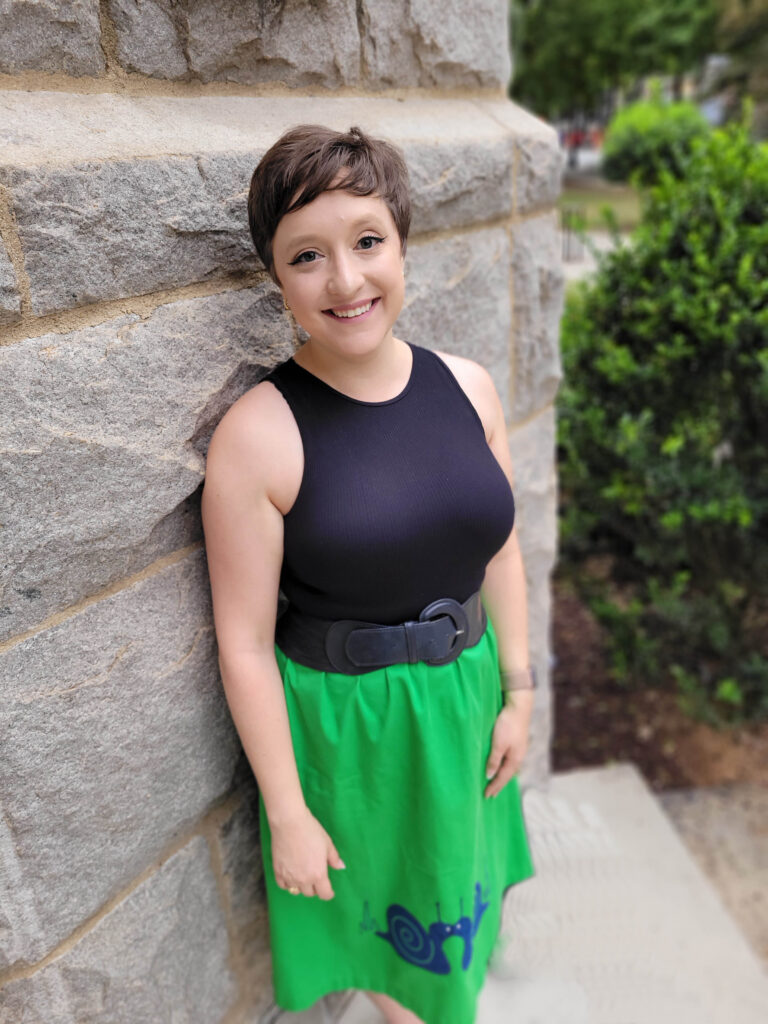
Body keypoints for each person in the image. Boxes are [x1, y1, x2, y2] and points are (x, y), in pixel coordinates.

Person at [201, 124, 537, 1024]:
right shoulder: (259, 435)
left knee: (453, 920)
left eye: (366, 242)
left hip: (464, 703)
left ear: (401, 243)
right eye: (307, 255)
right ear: (277, 278)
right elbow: (241, 644)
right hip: (355, 737)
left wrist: (519, 689)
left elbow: (497, 545)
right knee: (402, 965)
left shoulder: (469, 387)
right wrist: (289, 812)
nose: (345, 282)